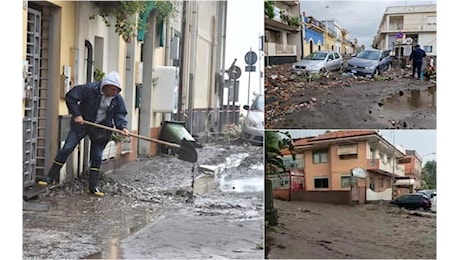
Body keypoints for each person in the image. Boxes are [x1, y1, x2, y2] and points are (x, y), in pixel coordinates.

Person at [38, 71, 130, 196]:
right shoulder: (90, 89)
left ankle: (93, 187)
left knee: (97, 157)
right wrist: (77, 114)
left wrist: (122, 127)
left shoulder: (117, 98)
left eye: (117, 90)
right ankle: (50, 178)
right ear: (105, 86)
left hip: (101, 129)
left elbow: (120, 114)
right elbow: (71, 97)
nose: (114, 92)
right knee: (67, 148)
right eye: (112, 89)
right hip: (81, 124)